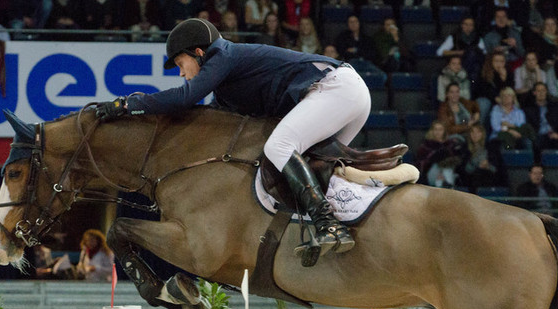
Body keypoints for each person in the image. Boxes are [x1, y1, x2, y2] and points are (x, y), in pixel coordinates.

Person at [95, 18, 362, 258]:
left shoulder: (223, 54)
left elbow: (185, 97)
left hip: (335, 89)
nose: (180, 73)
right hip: (346, 95)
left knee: (279, 146)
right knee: (315, 169)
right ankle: (349, 227)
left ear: (199, 53)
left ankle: (329, 225)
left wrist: (127, 106)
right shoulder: (228, 85)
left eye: (180, 64)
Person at [524, 81, 558, 155]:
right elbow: (528, 127)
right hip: (539, 136)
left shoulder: (555, 107)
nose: (541, 93)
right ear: (534, 93)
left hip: (555, 135)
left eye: (543, 90)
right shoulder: (529, 109)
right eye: (538, 91)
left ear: (546, 92)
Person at [415, 121, 466, 188]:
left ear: (444, 131)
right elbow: (422, 163)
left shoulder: (450, 144)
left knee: (447, 168)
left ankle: (445, 185)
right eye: (435, 129)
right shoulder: (426, 145)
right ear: (432, 131)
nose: (438, 132)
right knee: (439, 166)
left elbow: (457, 161)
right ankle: (446, 187)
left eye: (440, 129)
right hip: (430, 173)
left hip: (450, 171)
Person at [436, 16, 486, 81]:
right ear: (462, 25)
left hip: (474, 66)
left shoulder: (478, 38)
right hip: (459, 64)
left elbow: (485, 52)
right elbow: (439, 52)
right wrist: (457, 52)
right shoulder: (454, 37)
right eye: (466, 24)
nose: (468, 27)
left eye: (471, 25)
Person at [475, 51, 514, 126]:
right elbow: (483, 90)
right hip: (489, 101)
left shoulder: (508, 73)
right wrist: (495, 98)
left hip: (504, 101)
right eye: (496, 61)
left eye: (501, 61)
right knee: (483, 103)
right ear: (491, 62)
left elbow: (510, 91)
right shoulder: (484, 73)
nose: (499, 64)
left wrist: (504, 79)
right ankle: (479, 129)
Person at [462, 124, 501, 190]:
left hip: (488, 176)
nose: (475, 135)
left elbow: (497, 169)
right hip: (471, 178)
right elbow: (464, 169)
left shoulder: (491, 148)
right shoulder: (465, 149)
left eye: (478, 132)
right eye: (472, 132)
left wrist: (488, 166)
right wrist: (478, 166)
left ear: (482, 134)